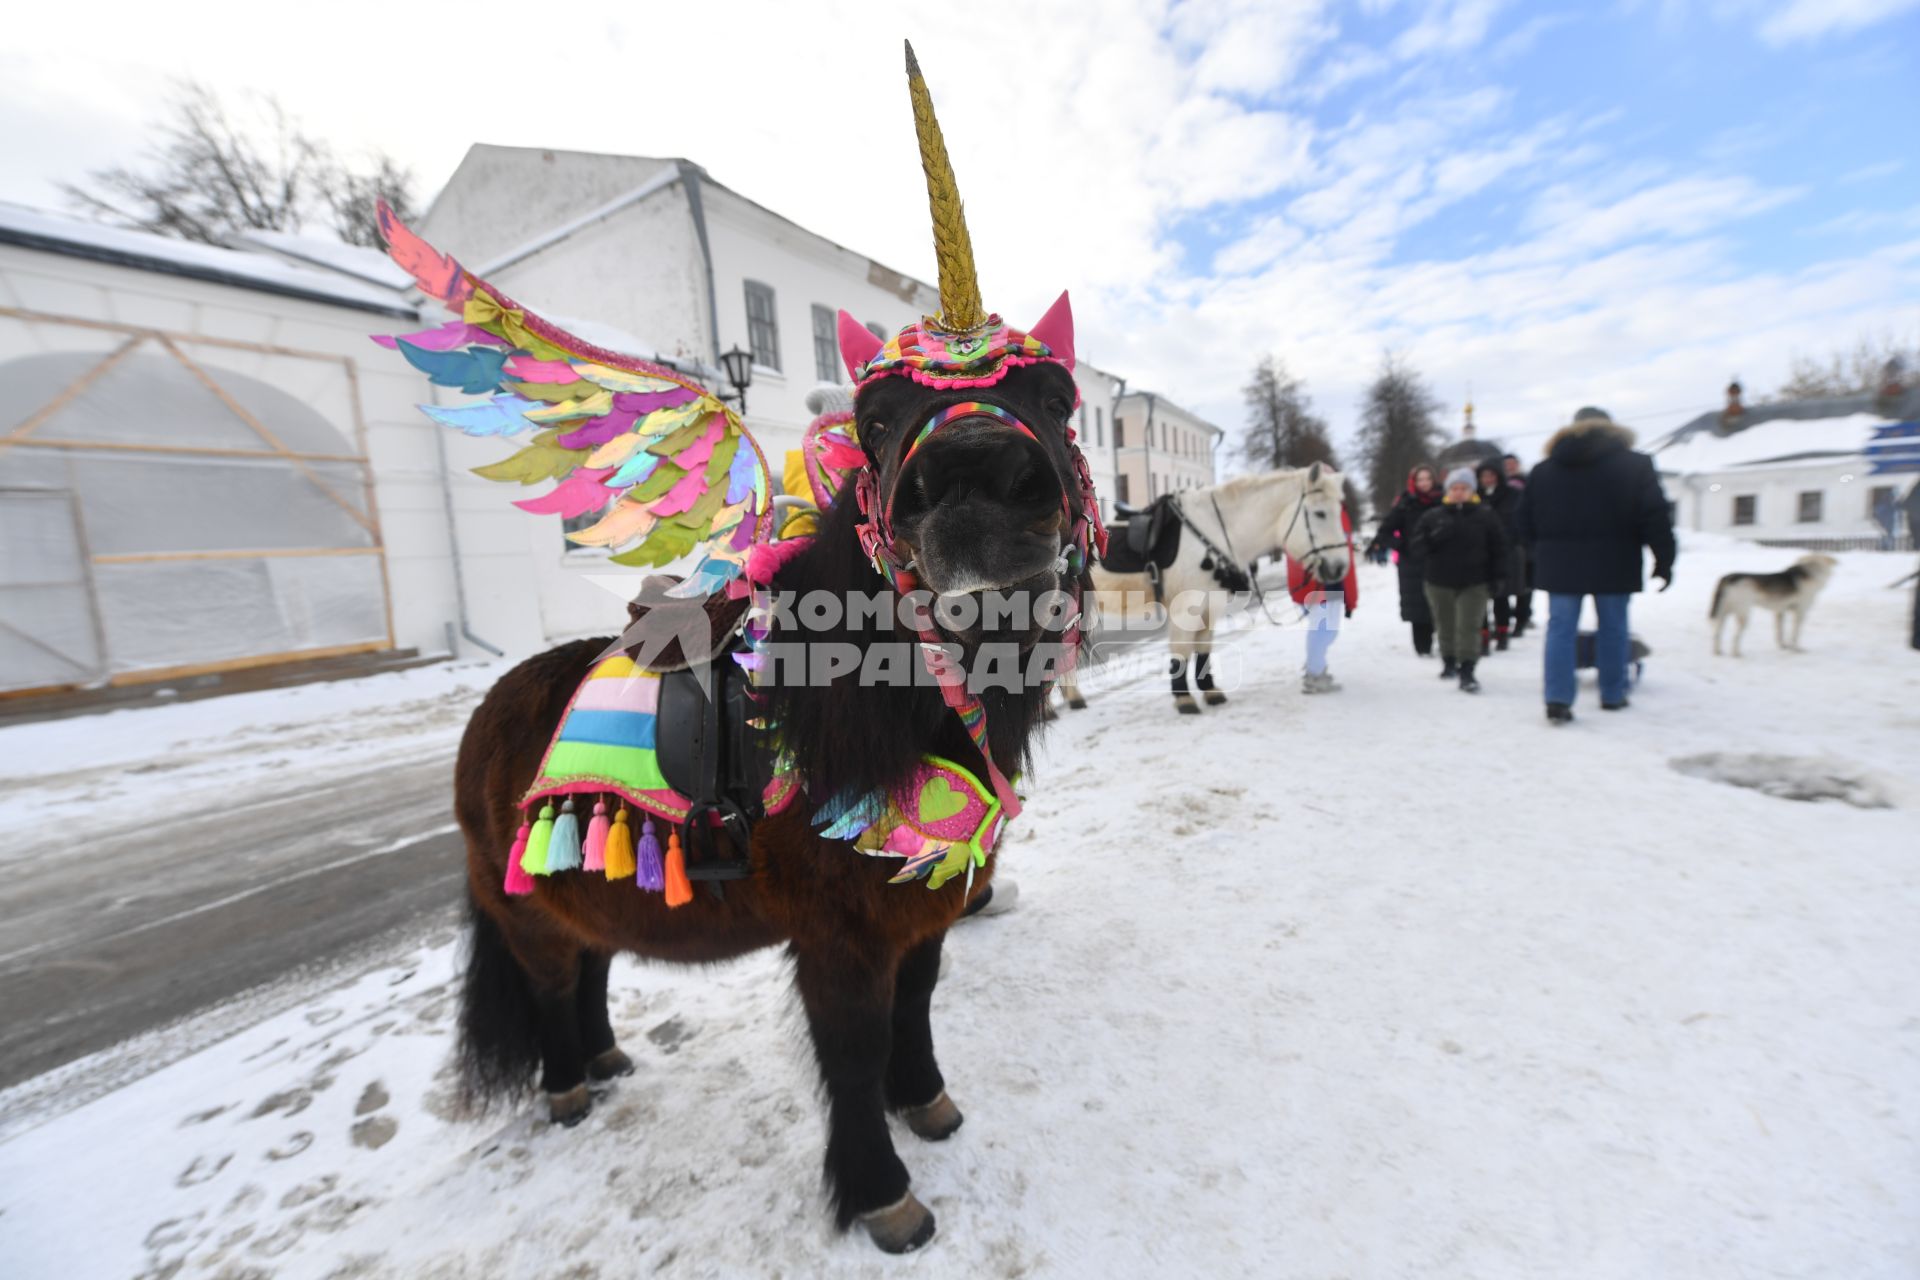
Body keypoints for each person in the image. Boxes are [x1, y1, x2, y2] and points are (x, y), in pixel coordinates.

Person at [1515, 407, 1676, 725]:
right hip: (1616, 560)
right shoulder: (1635, 465)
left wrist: (1540, 550)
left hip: (1561, 563)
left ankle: (1558, 699)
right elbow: (1655, 515)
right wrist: (1664, 559)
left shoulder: (1545, 470)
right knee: (1613, 628)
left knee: (1560, 630)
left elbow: (1522, 519)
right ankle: (1613, 694)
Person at [1414, 468, 1509, 693]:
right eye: (1454, 488)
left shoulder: (1485, 515)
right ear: (1448, 491)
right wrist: (1434, 538)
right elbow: (1417, 547)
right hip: (1439, 581)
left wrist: (1499, 576)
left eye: (1463, 489)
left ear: (1472, 490)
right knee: (1444, 623)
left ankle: (1468, 669)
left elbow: (1499, 547)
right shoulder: (1433, 516)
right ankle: (1448, 661)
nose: (1459, 493)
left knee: (1469, 626)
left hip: (1474, 582)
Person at [1366, 465, 1443, 656]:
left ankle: (1444, 641)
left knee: (1441, 603)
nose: (1424, 483)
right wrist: (1403, 545)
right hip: (1413, 563)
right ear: (1414, 482)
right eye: (1420, 480)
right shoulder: (1405, 504)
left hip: (1439, 560)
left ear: (1434, 480)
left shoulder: (1443, 500)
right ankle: (1422, 647)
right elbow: (1385, 531)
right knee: (1418, 607)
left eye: (1427, 479)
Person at [1288, 506, 1359, 694]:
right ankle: (1314, 674)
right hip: (1314, 582)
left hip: (1334, 581)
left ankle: (1316, 663)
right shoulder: (1302, 510)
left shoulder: (1339, 511)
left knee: (1330, 630)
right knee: (1322, 629)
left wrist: (1350, 595)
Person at [1475, 459, 1523, 650]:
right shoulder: (1475, 496)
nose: (1487, 480)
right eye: (1484, 476)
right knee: (1479, 598)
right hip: (1479, 553)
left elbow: (1518, 521)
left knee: (1501, 595)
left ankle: (1503, 633)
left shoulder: (1512, 495)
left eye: (1491, 475)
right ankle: (1483, 636)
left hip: (1504, 551)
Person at [1501, 453, 1533, 635]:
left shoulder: (1527, 482)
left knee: (1525, 584)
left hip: (1524, 541)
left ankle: (1522, 617)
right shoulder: (1499, 487)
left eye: (1513, 464)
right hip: (1508, 540)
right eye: (1507, 464)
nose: (1510, 467)